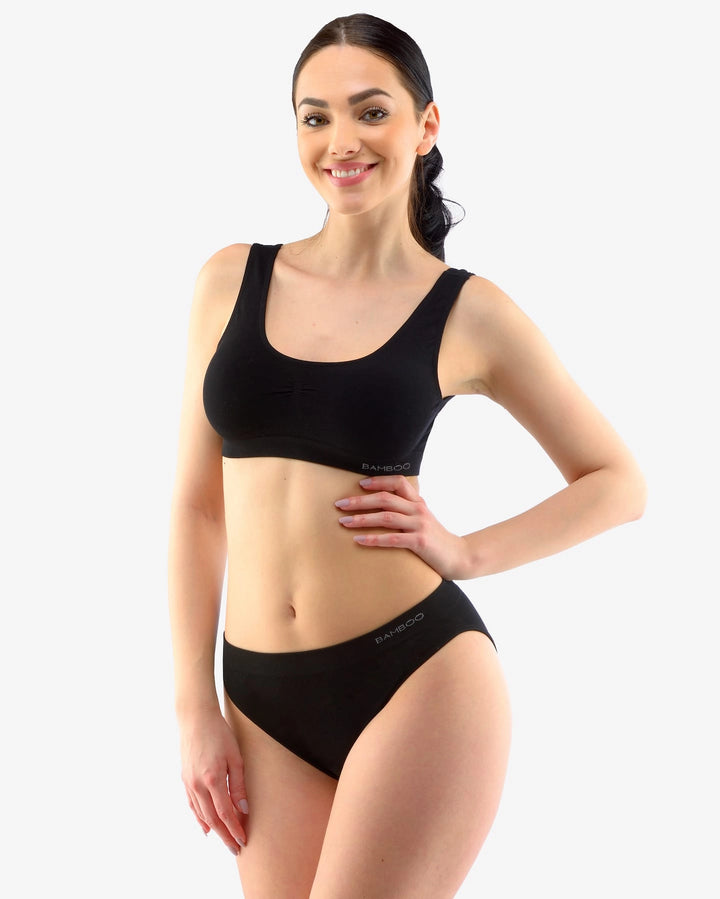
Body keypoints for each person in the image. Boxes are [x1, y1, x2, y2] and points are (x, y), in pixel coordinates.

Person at [167, 12, 646, 898]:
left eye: (371, 111)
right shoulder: (229, 280)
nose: (341, 141)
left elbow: (618, 482)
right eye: (315, 117)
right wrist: (194, 704)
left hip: (417, 678)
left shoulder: (467, 310)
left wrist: (466, 552)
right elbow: (199, 507)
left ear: (426, 126)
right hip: (260, 698)